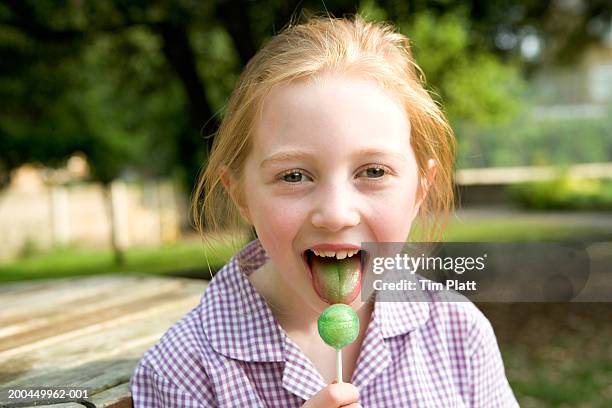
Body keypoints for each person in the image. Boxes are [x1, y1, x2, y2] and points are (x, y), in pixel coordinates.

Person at [130, 15, 519, 407]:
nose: (336, 214)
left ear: (421, 187)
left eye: (373, 171)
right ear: (241, 194)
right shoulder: (182, 373)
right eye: (295, 176)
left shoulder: (459, 334)